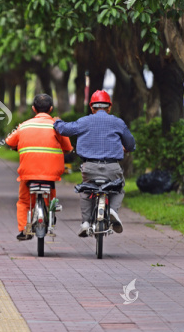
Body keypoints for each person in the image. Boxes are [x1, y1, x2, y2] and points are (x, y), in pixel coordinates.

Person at [53, 90, 135, 237]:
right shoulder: (118, 122)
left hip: (89, 168)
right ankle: (112, 211)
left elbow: (64, 129)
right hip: (112, 168)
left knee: (86, 190)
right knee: (119, 187)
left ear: (92, 107)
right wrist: (126, 148)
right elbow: (130, 144)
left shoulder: (84, 121)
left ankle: (85, 223)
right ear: (109, 107)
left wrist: (57, 121)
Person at [5, 94, 74, 241]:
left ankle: (24, 229)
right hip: (51, 173)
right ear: (51, 109)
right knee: (50, 192)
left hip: (28, 173)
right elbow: (68, 148)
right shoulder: (57, 126)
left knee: (24, 201)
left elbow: (9, 142)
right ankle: (51, 213)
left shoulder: (24, 125)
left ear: (33, 109)